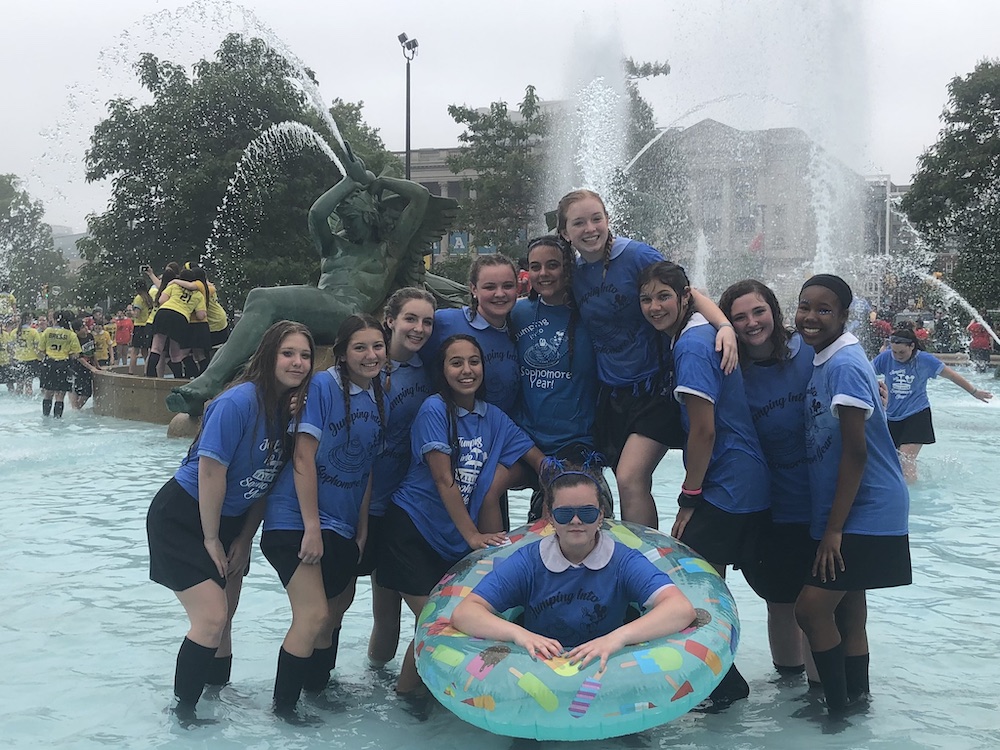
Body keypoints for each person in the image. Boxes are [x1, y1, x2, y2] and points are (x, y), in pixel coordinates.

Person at [166, 141, 464, 416]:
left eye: (354, 215)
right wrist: (350, 182)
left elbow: (420, 197)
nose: (348, 220)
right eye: (345, 216)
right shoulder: (334, 246)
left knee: (262, 297)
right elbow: (317, 214)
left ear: (372, 214)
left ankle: (208, 382)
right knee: (263, 311)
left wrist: (377, 181)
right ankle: (213, 384)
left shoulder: (387, 251)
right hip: (321, 307)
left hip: (346, 311)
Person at [146, 321, 314, 724]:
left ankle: (216, 698)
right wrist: (210, 538)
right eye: (287, 353)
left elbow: (265, 484)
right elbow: (210, 473)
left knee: (226, 619)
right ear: (268, 355)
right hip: (185, 517)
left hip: (231, 522)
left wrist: (243, 538)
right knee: (211, 618)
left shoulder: (292, 410)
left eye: (305, 355)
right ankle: (184, 715)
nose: (297, 362)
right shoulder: (237, 402)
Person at [556, 189, 738, 528]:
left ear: (608, 220)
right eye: (578, 223)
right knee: (623, 481)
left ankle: (645, 563)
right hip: (612, 395)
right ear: (565, 232)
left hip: (654, 388)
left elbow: (687, 291)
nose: (590, 228)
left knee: (629, 478)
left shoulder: (636, 255)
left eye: (597, 218)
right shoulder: (574, 273)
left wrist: (724, 325)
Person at [377, 334, 545, 695]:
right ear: (442, 369)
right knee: (436, 624)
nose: (467, 370)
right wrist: (472, 538)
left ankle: (438, 697)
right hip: (411, 530)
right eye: (456, 362)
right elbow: (442, 478)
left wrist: (563, 481)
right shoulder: (434, 410)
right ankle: (408, 701)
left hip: (449, 539)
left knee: (459, 623)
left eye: (474, 361)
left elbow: (535, 459)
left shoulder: (492, 417)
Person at [639, 262, 769, 709]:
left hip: (728, 485)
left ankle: (725, 684)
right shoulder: (695, 331)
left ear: (684, 298)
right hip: (744, 480)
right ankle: (734, 678)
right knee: (706, 583)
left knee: (688, 586)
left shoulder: (692, 346)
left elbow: (704, 432)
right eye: (646, 299)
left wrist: (688, 499)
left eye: (663, 297)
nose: (654, 306)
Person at [793, 274, 911, 715]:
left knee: (810, 610)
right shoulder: (829, 355)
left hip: (868, 507)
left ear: (844, 316)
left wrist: (833, 530)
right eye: (805, 306)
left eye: (825, 310)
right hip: (857, 506)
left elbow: (857, 454)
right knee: (849, 610)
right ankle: (858, 702)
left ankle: (837, 711)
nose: (810, 317)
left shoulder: (843, 364)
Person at [260, 314, 388, 722]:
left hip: (343, 524)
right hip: (295, 522)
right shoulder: (323, 386)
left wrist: (361, 529)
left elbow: (365, 467)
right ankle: (283, 708)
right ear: (343, 354)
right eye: (360, 347)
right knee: (313, 615)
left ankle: (317, 689)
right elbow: (303, 455)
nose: (371, 355)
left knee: (336, 609)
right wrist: (312, 527)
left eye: (377, 346)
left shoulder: (375, 394)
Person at [451, 468, 695, 671]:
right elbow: (465, 613)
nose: (576, 521)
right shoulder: (529, 562)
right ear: (551, 518)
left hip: (610, 671)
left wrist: (616, 639)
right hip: (538, 671)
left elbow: (680, 609)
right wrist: (520, 635)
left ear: (601, 516)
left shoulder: (622, 561)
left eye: (587, 513)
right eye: (565, 513)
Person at [719, 279, 818, 683]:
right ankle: (789, 684)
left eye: (758, 311)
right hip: (771, 506)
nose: (751, 322)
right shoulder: (729, 369)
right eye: (738, 317)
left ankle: (822, 689)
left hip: (819, 501)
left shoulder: (809, 351)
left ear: (774, 311)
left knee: (820, 604)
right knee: (780, 601)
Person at [510, 235, 611, 522]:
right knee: (486, 485)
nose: (543, 274)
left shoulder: (590, 312)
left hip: (576, 442)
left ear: (568, 267)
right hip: (528, 443)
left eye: (552, 265)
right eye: (536, 266)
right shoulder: (517, 313)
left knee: (573, 517)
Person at [365, 287, 437, 666]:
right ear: (390, 319)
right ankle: (373, 677)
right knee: (383, 612)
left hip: (408, 504)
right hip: (368, 503)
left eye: (427, 321)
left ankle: (404, 682)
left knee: (395, 610)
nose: (419, 328)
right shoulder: (368, 367)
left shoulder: (429, 367)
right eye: (410, 318)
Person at [871, 327, 992, 483]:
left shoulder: (925, 360)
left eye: (902, 352)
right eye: (895, 352)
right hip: (891, 416)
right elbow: (865, 372)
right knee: (893, 461)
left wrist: (974, 392)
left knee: (906, 458)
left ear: (912, 346)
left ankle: (912, 500)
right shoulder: (886, 358)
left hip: (917, 414)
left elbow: (951, 375)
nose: (897, 356)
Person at [424, 253, 521, 415]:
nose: (500, 294)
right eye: (490, 287)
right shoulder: (445, 322)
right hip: (453, 430)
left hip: (503, 431)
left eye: (508, 286)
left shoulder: (519, 324)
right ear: (473, 289)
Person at [147, 268, 206, 378]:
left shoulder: (173, 286)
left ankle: (150, 374)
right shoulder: (198, 295)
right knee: (175, 352)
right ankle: (177, 377)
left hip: (164, 313)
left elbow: (161, 300)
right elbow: (201, 315)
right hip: (181, 318)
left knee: (156, 347)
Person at [37, 310, 81, 418]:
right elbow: (76, 354)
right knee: (60, 395)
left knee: (48, 393)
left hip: (49, 363)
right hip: (63, 365)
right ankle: (57, 419)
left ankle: (45, 417)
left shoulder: (47, 332)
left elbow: (40, 350)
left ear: (57, 319)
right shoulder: (71, 335)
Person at [69, 319, 99, 410]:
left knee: (87, 392)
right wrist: (91, 368)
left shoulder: (90, 336)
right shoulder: (75, 340)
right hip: (76, 368)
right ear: (77, 331)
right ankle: (75, 408)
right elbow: (79, 358)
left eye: (85, 326)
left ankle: (77, 407)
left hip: (87, 367)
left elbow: (93, 352)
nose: (85, 328)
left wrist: (97, 366)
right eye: (82, 327)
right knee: (77, 389)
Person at [12, 311, 41, 396]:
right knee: (29, 385)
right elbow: (37, 347)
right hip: (31, 359)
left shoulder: (15, 332)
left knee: (19, 385)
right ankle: (28, 403)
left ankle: (18, 405)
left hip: (18, 359)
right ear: (29, 320)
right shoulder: (33, 332)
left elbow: (10, 347)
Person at [129, 280, 154, 375]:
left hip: (139, 326)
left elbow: (136, 314)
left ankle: (131, 372)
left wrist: (130, 311)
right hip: (147, 325)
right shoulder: (149, 298)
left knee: (134, 351)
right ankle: (146, 371)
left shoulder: (138, 298)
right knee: (145, 352)